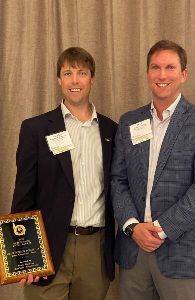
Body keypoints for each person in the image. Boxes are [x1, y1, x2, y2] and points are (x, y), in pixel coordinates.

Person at [110, 40, 195, 300]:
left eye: (170, 67)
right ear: (148, 73)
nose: (162, 75)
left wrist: (161, 228)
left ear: (183, 74)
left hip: (182, 252)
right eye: (155, 67)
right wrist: (132, 227)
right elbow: (118, 180)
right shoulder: (129, 122)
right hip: (133, 252)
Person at [11, 47, 117, 300]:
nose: (75, 80)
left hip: (96, 248)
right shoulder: (35, 129)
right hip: (48, 246)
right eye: (67, 73)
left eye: (82, 73)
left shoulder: (112, 130)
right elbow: (23, 194)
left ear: (92, 78)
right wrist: (24, 256)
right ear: (59, 79)